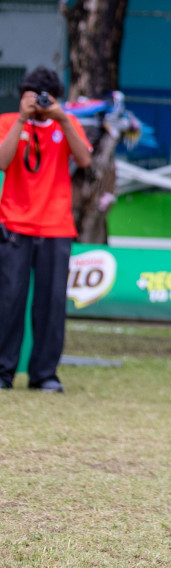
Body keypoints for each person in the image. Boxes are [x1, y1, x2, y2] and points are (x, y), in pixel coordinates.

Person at [0, 67, 93, 392]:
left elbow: (84, 160)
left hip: (56, 227)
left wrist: (63, 118)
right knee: (8, 301)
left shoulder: (66, 123)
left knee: (51, 304)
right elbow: (2, 162)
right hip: (14, 225)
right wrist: (22, 121)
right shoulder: (8, 121)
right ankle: (3, 372)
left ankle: (44, 374)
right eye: (34, 97)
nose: (40, 104)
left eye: (46, 98)